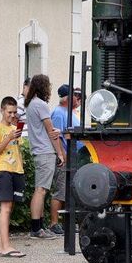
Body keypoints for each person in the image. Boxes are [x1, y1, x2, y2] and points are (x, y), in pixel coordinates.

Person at [22, 74, 65, 239]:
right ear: (44, 87)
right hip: (45, 151)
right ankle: (36, 229)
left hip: (38, 151)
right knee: (41, 190)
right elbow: (51, 132)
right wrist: (60, 153)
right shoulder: (41, 105)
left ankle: (38, 226)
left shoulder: (30, 104)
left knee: (39, 189)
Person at [0, 96, 26, 257]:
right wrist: (8, 138)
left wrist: (15, 136)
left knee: (9, 208)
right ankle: (5, 246)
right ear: (2, 110)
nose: (12, 115)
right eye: (9, 112)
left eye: (14, 112)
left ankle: (1, 246)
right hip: (3, 170)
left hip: (15, 170)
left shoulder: (14, 129)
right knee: (5, 208)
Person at [50, 85, 83, 228]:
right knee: (61, 191)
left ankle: (66, 223)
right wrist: (63, 156)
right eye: (76, 95)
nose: (78, 99)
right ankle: (54, 223)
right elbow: (57, 137)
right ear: (67, 98)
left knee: (69, 191)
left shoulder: (71, 113)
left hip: (74, 157)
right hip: (65, 157)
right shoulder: (58, 113)